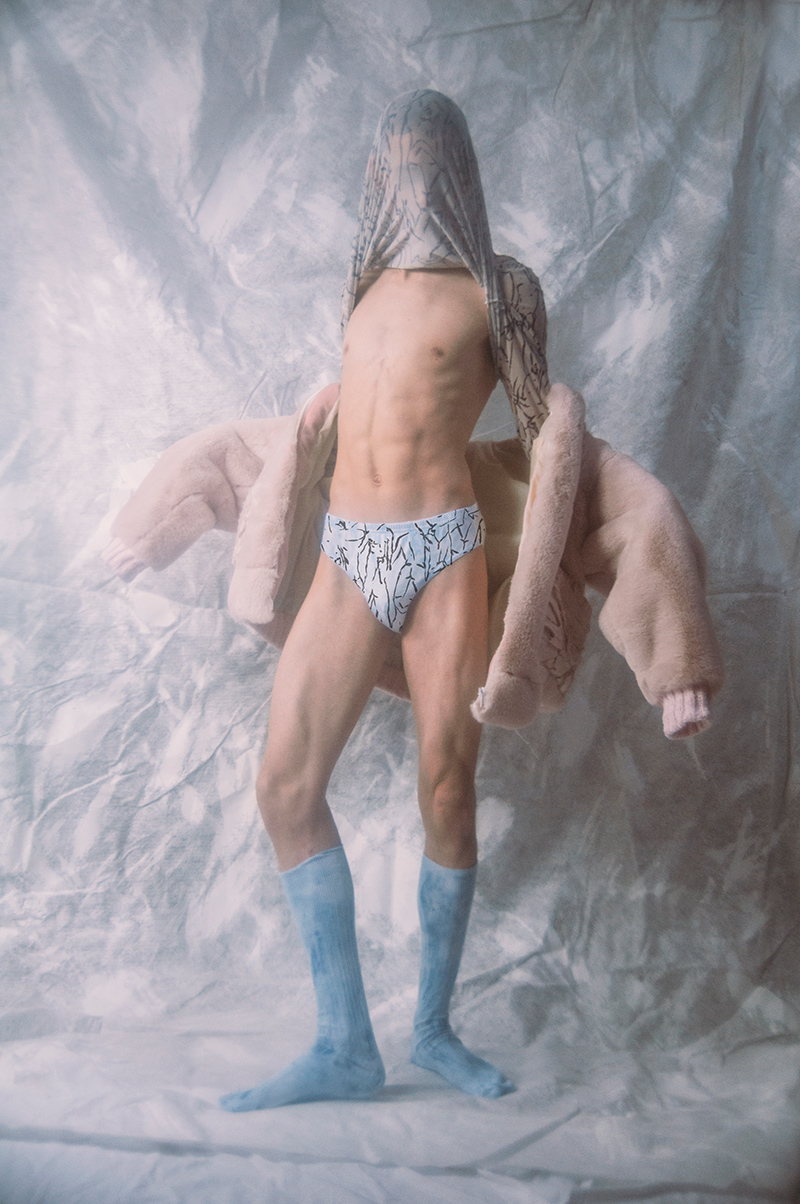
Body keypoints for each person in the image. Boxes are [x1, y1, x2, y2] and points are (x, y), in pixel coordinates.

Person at [217, 89, 537, 1110]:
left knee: (447, 786)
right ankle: (344, 1045)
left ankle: (433, 1029)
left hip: (445, 549)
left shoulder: (502, 288)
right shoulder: (361, 285)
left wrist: (568, 582)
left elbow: (547, 441)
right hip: (349, 550)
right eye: (392, 154)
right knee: (284, 785)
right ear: (375, 172)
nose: (407, 170)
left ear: (456, 166)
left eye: (424, 151)